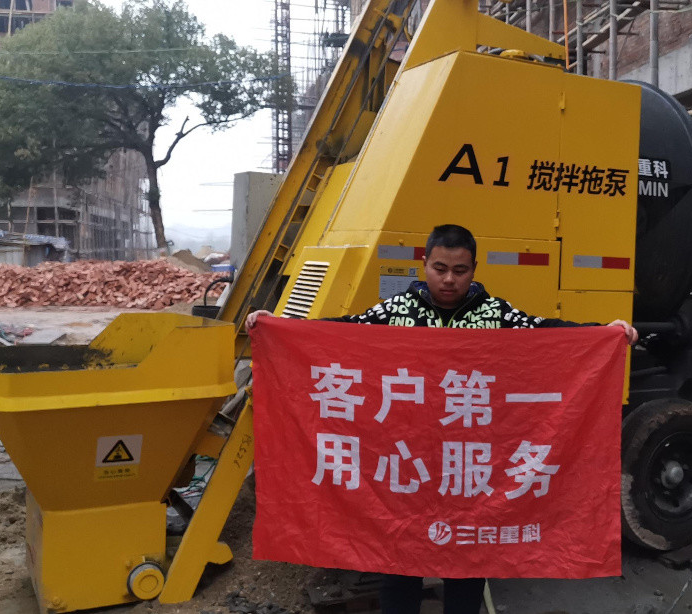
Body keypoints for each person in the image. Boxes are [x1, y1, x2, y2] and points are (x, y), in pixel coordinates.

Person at [246, 224, 637, 614]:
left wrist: (605, 334)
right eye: (440, 268)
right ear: (424, 264)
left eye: (460, 270)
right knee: (399, 564)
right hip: (406, 466)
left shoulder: (495, 315)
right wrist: (278, 328)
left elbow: (548, 334)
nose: (449, 279)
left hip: (467, 469)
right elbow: (340, 332)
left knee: (467, 565)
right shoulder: (397, 311)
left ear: (474, 269)